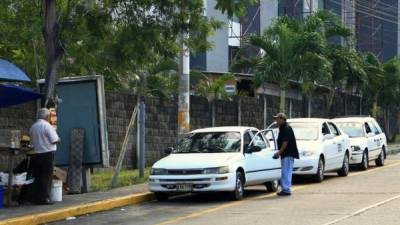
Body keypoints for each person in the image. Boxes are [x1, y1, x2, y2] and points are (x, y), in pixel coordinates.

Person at [29, 108, 60, 204]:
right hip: (47, 154)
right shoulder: (47, 126)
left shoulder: (33, 127)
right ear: (47, 116)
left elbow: (31, 142)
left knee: (38, 177)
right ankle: (45, 198)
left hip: (36, 154)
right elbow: (54, 140)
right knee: (46, 177)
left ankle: (37, 198)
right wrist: (59, 139)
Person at [273, 113, 299, 196]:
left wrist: (279, 153)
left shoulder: (287, 128)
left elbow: (285, 143)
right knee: (286, 171)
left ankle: (286, 189)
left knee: (286, 172)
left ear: (283, 119)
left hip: (288, 153)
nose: (276, 120)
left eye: (278, 119)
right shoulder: (282, 128)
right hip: (286, 154)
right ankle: (285, 188)